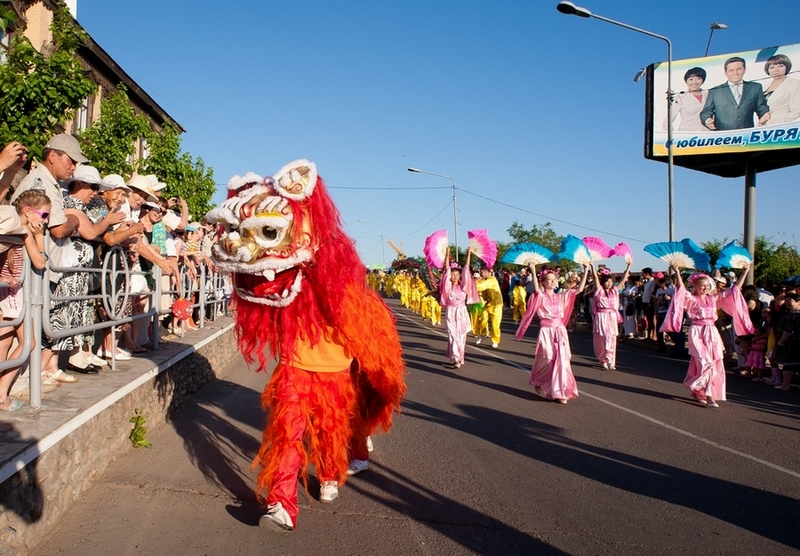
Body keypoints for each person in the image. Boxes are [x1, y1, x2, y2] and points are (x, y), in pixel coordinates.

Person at [661, 264, 752, 408]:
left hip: (711, 332)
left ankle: (702, 392)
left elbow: (733, 290)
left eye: (707, 285)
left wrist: (745, 272)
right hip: (697, 331)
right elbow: (681, 290)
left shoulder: (714, 299)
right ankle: (707, 395)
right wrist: (677, 272)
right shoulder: (691, 299)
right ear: (696, 286)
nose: (705, 288)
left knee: (714, 363)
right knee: (704, 363)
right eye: (702, 285)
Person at [0, 190, 52, 410]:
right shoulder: (15, 230)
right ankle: (1, 395)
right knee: (11, 343)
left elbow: (39, 261)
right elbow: (40, 262)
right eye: (43, 215)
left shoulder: (22, 232)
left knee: (20, 342)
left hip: (15, 294)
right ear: (28, 211)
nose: (46, 221)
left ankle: (1, 392)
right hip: (7, 295)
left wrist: (37, 236)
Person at [516, 264, 589, 404]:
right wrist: (532, 269)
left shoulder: (561, 296)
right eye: (549, 279)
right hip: (546, 331)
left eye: (554, 279)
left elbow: (579, 289)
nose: (553, 281)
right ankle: (539, 381)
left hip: (560, 331)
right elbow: (536, 289)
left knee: (562, 361)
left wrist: (586, 270)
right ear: (543, 281)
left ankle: (560, 392)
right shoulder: (540, 296)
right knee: (547, 360)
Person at [700, 57, 770, 131]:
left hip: (746, 135)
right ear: (726, 73)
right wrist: (707, 120)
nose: (735, 73)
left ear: (744, 70)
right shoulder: (715, 91)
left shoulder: (755, 87)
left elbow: (761, 107)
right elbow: (706, 112)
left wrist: (764, 114)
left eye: (739, 69)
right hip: (723, 137)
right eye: (731, 70)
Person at [439, 249, 477, 369]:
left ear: (459, 276)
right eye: (452, 275)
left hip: (462, 312)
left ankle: (459, 357)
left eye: (457, 274)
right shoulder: (448, 287)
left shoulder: (464, 286)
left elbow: (466, 268)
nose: (454, 276)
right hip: (451, 311)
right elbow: (446, 270)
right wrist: (446, 255)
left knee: (461, 336)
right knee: (453, 335)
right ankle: (456, 358)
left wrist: (469, 253)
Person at [590, 262, 631, 370]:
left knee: (612, 338)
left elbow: (623, 279)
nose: (609, 283)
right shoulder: (599, 291)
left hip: (612, 316)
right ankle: (604, 359)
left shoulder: (614, 291)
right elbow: (595, 278)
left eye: (610, 281)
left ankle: (611, 361)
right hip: (602, 316)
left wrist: (628, 267)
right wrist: (592, 266)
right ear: (603, 283)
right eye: (606, 282)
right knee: (603, 338)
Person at [762, 54, 800, 125]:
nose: (776, 70)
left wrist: (774, 120)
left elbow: (797, 111)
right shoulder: (764, 87)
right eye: (772, 67)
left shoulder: (795, 84)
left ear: (787, 67)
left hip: (783, 127)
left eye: (780, 66)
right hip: (762, 128)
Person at [670, 67, 709, 132]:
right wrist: (674, 138)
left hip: (707, 137)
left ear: (703, 80)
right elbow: (667, 122)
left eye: (698, 78)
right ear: (686, 81)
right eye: (691, 79)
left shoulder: (709, 95)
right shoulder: (680, 97)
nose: (694, 82)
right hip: (687, 137)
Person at [774, 292, 800, 392]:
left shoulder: (794, 314)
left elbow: (788, 330)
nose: (788, 303)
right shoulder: (790, 313)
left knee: (789, 363)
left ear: (798, 302)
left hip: (792, 342)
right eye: (787, 301)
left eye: (791, 301)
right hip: (795, 342)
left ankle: (786, 384)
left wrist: (781, 341)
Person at [476, 266, 503, 348]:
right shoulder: (483, 280)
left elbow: (481, 286)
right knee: (482, 319)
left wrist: (475, 285)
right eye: (480, 272)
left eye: (482, 272)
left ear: (487, 272)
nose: (481, 274)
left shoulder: (492, 280)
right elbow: (481, 290)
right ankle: (483, 334)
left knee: (495, 324)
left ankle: (495, 340)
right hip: (488, 304)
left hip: (497, 305)